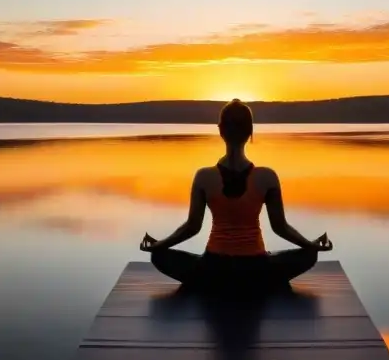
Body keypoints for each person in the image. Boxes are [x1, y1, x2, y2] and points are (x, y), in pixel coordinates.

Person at [140, 98, 333, 292]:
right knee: (309, 255)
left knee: (159, 256)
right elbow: (280, 228)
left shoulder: (204, 177)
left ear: (220, 130)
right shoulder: (267, 177)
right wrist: (310, 245)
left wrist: (159, 245)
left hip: (213, 268)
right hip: (256, 269)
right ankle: (254, 283)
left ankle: (213, 284)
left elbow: (192, 227)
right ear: (250, 131)